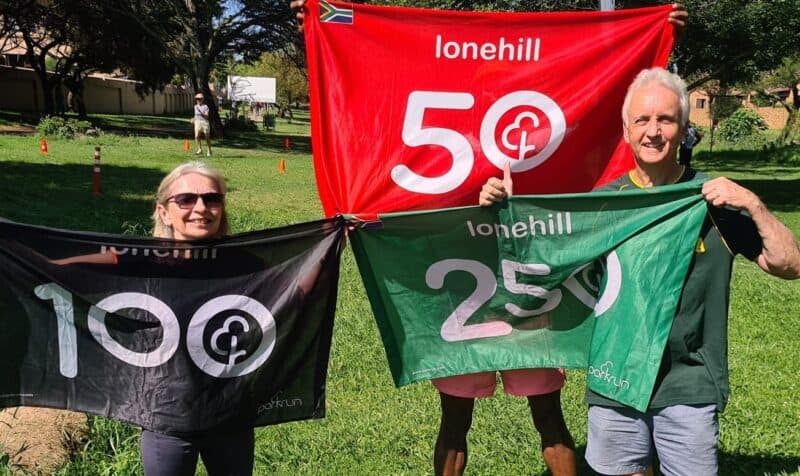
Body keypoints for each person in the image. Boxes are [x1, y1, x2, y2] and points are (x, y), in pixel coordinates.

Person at [292, 2, 689, 475]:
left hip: (531, 286)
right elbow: (369, 75)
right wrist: (318, 26)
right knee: (456, 420)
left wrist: (656, 32)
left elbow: (612, 81)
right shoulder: (452, 122)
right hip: (464, 286)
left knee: (548, 418)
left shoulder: (540, 124)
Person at [481, 67, 800, 476]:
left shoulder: (714, 201)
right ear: (626, 131)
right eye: (642, 120)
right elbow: (540, 264)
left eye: (665, 120)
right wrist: (506, 212)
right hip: (615, 378)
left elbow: (789, 265)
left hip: (688, 383)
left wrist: (753, 204)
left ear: (683, 128)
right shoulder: (606, 205)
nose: (653, 132)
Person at [141, 161, 253, 476]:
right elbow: (76, 268)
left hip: (230, 414)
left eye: (212, 198)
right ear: (164, 212)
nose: (201, 208)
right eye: (186, 199)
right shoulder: (139, 263)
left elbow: (296, 285)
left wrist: (335, 240)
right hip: (166, 417)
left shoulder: (245, 264)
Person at [193, 93, 213, 157]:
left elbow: (207, 116)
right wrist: (193, 119)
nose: (198, 100)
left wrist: (201, 113)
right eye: (197, 99)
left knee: (207, 137)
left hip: (205, 122)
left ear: (202, 99)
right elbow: (195, 115)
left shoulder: (205, 107)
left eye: (199, 99)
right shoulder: (195, 106)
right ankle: (200, 149)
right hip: (197, 122)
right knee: (196, 136)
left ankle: (209, 150)